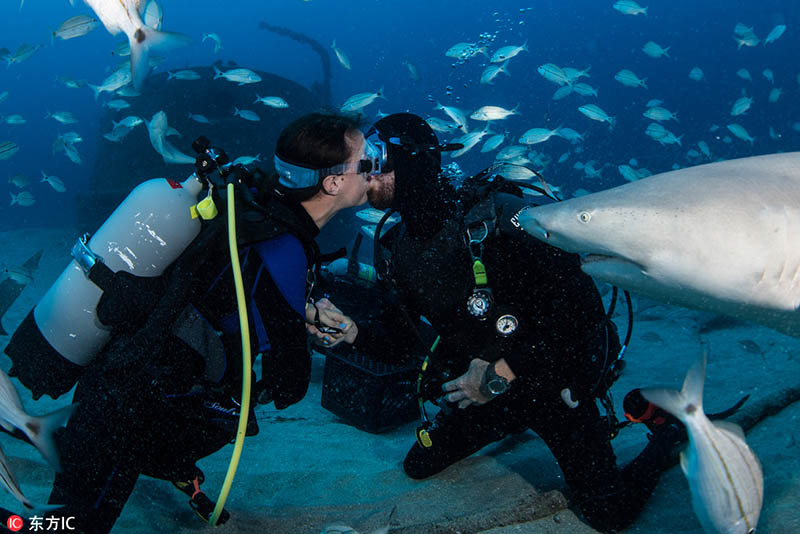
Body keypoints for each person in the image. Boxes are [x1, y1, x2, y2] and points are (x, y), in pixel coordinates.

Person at [42, 112, 376, 533]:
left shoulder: (256, 208)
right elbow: (290, 382)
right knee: (66, 526)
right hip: (130, 406)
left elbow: (226, 289)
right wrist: (299, 335)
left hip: (122, 373)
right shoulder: (284, 244)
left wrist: (301, 309)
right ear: (331, 182)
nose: (375, 168)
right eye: (367, 161)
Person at [355, 113, 685, 533]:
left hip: (550, 375)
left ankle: (668, 435)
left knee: (608, 514)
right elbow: (403, 345)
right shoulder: (393, 248)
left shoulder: (501, 219)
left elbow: (581, 312)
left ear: (413, 161)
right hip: (483, 389)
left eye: (375, 159)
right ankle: (507, 422)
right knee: (419, 464)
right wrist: (351, 333)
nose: (363, 173)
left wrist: (503, 371)